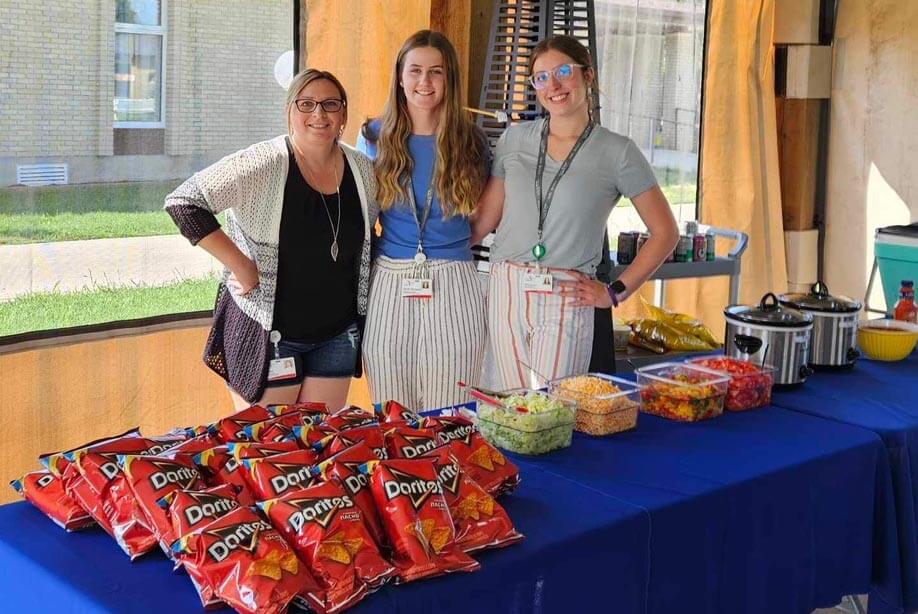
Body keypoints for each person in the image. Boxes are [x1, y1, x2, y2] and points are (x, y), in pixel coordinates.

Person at [471, 35, 679, 390]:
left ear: (588, 76)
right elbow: (483, 222)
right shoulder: (513, 140)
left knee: (550, 408)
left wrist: (615, 292)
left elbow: (666, 233)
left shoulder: (618, 152)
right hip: (506, 284)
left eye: (563, 71)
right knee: (507, 408)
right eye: (541, 77)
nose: (553, 85)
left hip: (566, 292)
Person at [165, 69, 378, 411]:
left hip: (338, 336)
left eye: (330, 104)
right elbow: (184, 202)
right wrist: (241, 265)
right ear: (289, 112)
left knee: (321, 446)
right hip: (272, 335)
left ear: (344, 115)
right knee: (268, 450)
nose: (319, 114)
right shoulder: (263, 162)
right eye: (306, 103)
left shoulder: (363, 170)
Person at [357, 30, 490, 410]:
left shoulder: (472, 141)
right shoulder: (372, 136)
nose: (424, 82)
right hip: (390, 277)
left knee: (452, 407)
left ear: (450, 80)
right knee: (391, 404)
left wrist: (451, 247)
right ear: (400, 77)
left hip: (453, 277)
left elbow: (482, 215)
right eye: (414, 70)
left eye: (436, 72)